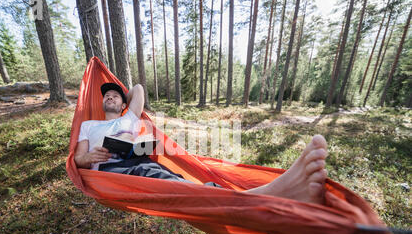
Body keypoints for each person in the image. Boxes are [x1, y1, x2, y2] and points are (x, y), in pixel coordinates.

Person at [75, 83, 328, 205]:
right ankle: (247, 197)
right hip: (111, 172)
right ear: (101, 103)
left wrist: (124, 98)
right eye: (106, 96)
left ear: (122, 105)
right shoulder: (89, 126)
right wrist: (89, 158)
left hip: (135, 159)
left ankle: (229, 195)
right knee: (152, 174)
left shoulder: (129, 118)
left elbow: (138, 89)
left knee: (169, 176)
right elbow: (77, 159)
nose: (109, 97)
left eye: (115, 96)